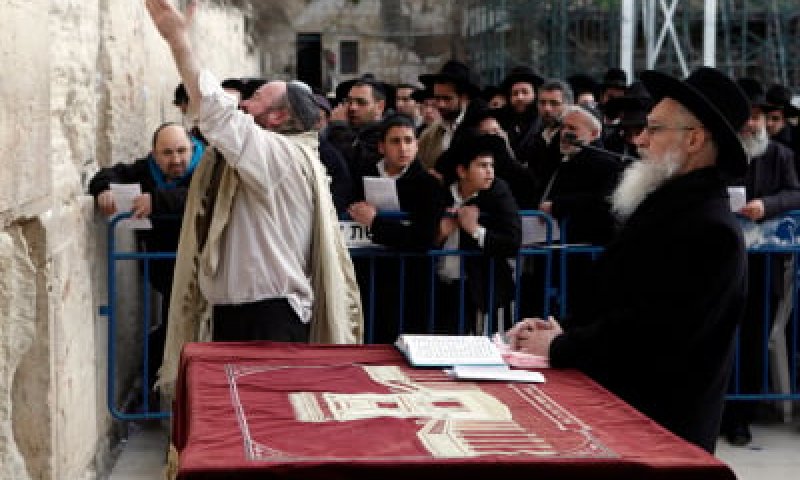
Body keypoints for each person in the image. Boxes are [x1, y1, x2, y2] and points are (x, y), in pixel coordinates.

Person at [509, 66, 750, 453]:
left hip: (659, 433)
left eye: (654, 129)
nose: (639, 140)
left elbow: (654, 334)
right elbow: (618, 299)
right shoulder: (668, 208)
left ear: (694, 140)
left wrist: (560, 347)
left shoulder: (710, 230)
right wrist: (559, 329)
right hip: (620, 419)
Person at [144, 0, 362, 393]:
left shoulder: (280, 156)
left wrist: (179, 41)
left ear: (279, 117)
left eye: (257, 98)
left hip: (269, 318)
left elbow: (215, 111)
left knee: (268, 425)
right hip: (240, 315)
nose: (245, 102)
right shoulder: (268, 157)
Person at [88, 122, 203, 389]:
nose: (176, 160)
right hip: (165, 268)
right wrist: (104, 190)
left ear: (192, 148)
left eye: (182, 151)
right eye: (167, 153)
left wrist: (157, 201)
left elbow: (201, 196)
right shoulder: (145, 170)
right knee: (173, 326)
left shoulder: (205, 166)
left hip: (202, 265)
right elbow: (108, 174)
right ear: (154, 153)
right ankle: (159, 389)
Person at [720, 77, 800, 446]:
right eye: (746, 117)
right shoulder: (720, 151)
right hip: (720, 261)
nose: (752, 124)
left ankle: (741, 416)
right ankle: (718, 409)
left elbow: (795, 193)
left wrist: (767, 206)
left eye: (758, 117)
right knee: (719, 335)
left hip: (762, 264)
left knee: (753, 337)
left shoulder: (781, 156)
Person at [348, 114, 446, 341]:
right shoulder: (362, 174)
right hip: (369, 276)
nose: (403, 148)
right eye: (395, 141)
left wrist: (375, 222)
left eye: (408, 141)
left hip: (411, 279)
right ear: (382, 146)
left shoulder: (428, 185)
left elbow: (424, 237)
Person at [436, 134, 521, 335]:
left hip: (482, 289)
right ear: (462, 171)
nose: (490, 172)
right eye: (482, 166)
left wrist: (475, 230)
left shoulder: (498, 192)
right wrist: (439, 233)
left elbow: (512, 241)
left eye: (491, 165)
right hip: (441, 287)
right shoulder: (442, 192)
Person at [417, 60, 481, 172]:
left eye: (447, 99)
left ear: (464, 98)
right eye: (437, 98)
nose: (441, 104)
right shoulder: (428, 135)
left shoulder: (481, 129)